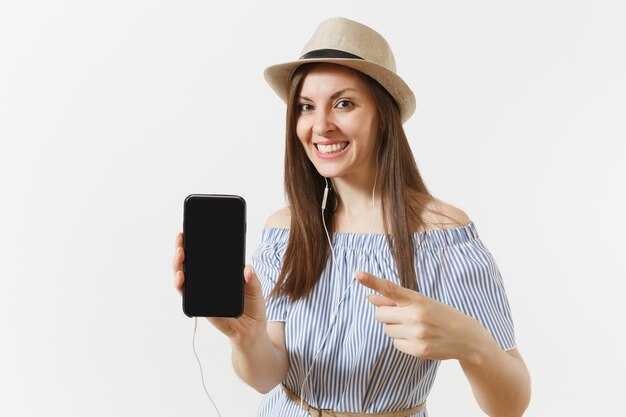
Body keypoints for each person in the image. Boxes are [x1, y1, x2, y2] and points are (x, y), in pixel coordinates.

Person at [172, 16, 530, 417]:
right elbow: (266, 377)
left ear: (384, 115)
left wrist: (473, 344)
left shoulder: (444, 238)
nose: (320, 126)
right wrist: (246, 336)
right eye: (306, 107)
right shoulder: (285, 231)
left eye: (343, 103)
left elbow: (511, 406)